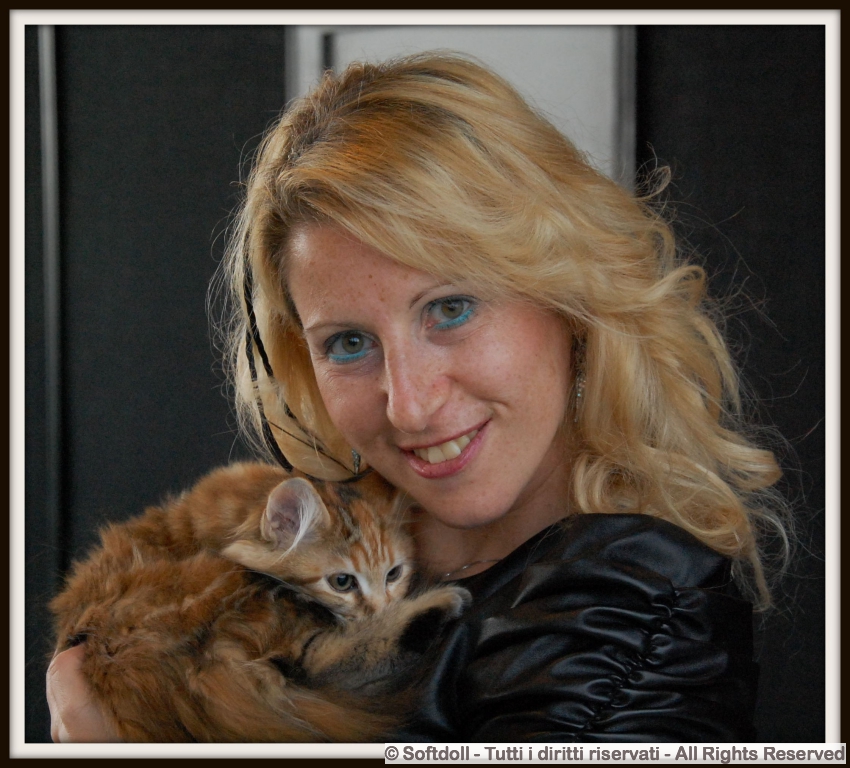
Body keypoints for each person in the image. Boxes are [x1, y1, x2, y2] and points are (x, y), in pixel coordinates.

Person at [47, 52, 790, 742]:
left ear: (569, 295)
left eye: (450, 309)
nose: (407, 405)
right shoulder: (316, 535)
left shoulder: (629, 606)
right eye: (348, 343)